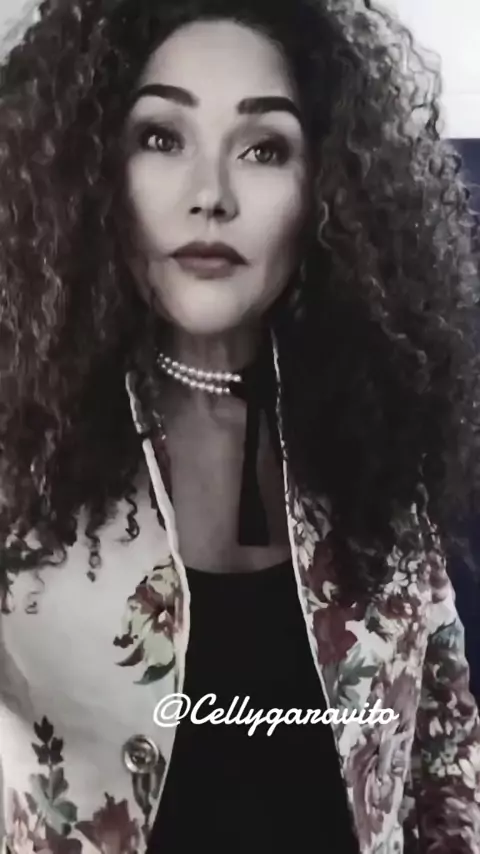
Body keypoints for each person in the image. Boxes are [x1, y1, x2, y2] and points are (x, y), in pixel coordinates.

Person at [0, 0, 479, 852]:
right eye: (161, 137)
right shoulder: (19, 441)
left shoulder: (377, 433)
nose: (210, 196)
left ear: (326, 189)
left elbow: (443, 754)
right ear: (93, 169)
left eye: (264, 149)